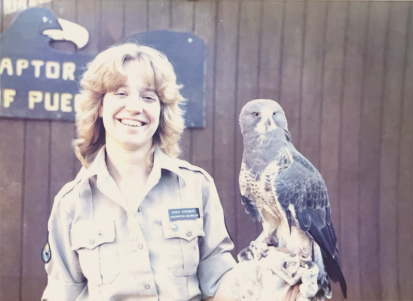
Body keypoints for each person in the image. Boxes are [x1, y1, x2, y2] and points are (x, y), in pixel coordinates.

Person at [41, 43, 314, 301]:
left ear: (161, 111)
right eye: (120, 93)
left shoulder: (196, 187)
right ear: (100, 106)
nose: (135, 107)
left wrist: (270, 284)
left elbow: (218, 287)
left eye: (148, 97)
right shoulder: (70, 204)